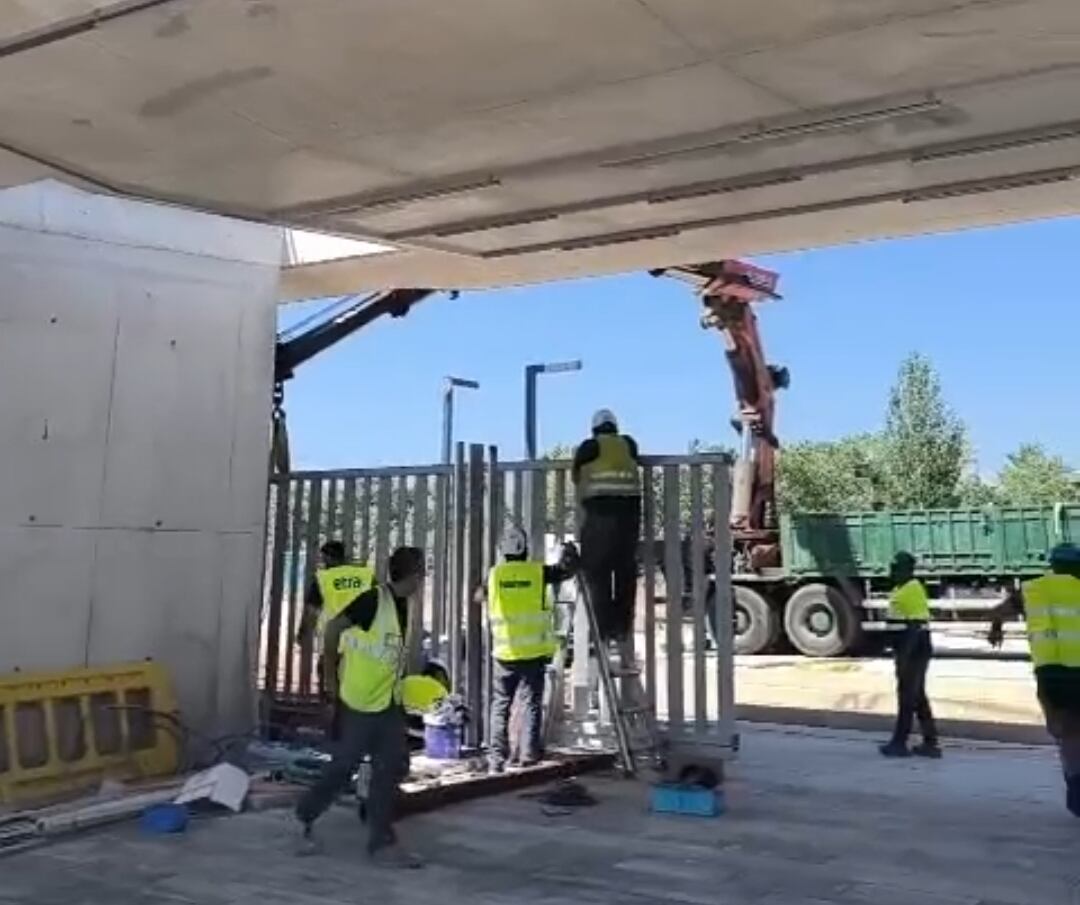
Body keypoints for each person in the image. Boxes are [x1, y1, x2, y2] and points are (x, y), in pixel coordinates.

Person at [296, 545, 425, 868]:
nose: (422, 580)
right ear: (412, 575)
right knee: (343, 768)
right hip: (358, 702)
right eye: (421, 573)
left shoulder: (404, 604)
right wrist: (330, 680)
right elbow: (333, 629)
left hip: (387, 703)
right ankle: (307, 811)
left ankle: (380, 840)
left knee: (392, 765)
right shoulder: (373, 601)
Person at [989, 543, 1080, 816]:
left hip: (1049, 674)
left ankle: (1075, 788)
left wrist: (996, 629)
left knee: (1066, 732)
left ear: (1053, 565)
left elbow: (998, 612)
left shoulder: (1033, 590)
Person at [480, 526, 578, 773]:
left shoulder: (494, 575)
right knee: (531, 703)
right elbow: (565, 571)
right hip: (532, 654)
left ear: (503, 550)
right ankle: (528, 755)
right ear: (525, 549)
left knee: (500, 706)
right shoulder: (537, 572)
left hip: (504, 654)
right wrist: (570, 553)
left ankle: (495, 760)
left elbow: (478, 596)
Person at [572, 409, 642, 647]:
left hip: (599, 515)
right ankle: (622, 628)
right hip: (629, 517)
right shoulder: (629, 444)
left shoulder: (589, 447)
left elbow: (576, 476)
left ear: (594, 429)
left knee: (597, 573)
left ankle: (602, 631)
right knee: (625, 572)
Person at [880, 551, 941, 758]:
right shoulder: (902, 588)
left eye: (896, 568)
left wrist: (905, 657)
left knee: (907, 695)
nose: (892, 572)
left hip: (914, 649)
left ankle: (900, 742)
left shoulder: (912, 589)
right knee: (917, 696)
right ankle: (930, 743)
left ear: (907, 570)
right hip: (908, 648)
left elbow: (916, 626)